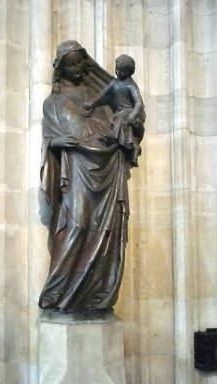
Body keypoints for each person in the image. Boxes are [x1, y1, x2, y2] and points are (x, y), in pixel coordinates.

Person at [38, 40, 145, 316]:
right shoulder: (52, 103)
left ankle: (98, 294)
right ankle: (60, 292)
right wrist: (61, 140)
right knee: (76, 225)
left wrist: (130, 123)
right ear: (60, 69)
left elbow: (122, 117)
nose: (76, 68)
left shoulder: (99, 93)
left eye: (79, 63)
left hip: (108, 166)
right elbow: (51, 139)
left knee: (109, 231)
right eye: (70, 64)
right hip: (78, 169)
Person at [84, 54, 146, 167]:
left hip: (127, 112)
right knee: (116, 122)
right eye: (116, 69)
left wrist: (133, 115)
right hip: (117, 113)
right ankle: (134, 146)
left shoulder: (130, 85)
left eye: (121, 71)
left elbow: (139, 102)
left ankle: (119, 141)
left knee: (121, 121)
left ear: (129, 72)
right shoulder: (114, 83)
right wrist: (91, 104)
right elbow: (102, 95)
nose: (117, 72)